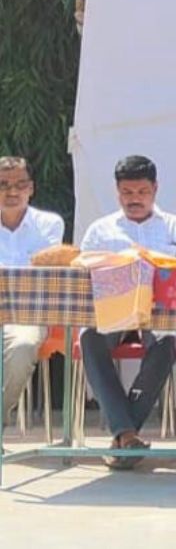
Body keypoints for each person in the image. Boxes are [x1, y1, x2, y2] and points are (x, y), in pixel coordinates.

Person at [77, 155, 176, 469]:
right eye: (127, 193)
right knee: (89, 338)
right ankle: (127, 435)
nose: (134, 199)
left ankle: (123, 433)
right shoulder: (100, 230)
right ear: (117, 191)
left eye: (142, 192)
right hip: (111, 312)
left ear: (155, 189)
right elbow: (84, 273)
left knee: (167, 343)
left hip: (158, 312)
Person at [1, 156, 64, 418]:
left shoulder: (49, 224)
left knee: (23, 348)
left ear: (31, 188)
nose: (12, 192)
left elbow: (45, 272)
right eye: (3, 185)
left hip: (27, 315)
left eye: (20, 184)